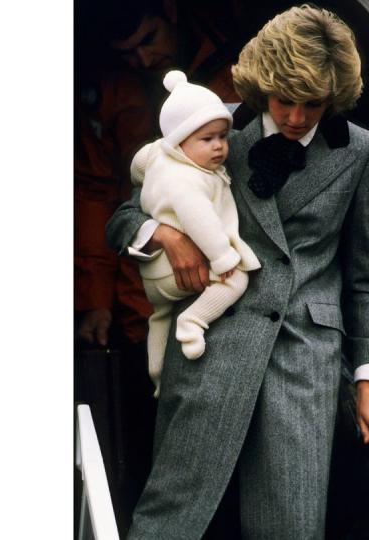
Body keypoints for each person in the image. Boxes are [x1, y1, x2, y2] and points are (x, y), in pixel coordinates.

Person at [106, 6, 369, 538]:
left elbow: (364, 276)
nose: (295, 117)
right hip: (209, 346)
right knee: (174, 520)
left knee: (290, 525)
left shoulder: (365, 152)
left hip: (303, 362)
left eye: (312, 104)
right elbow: (124, 215)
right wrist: (165, 235)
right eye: (282, 101)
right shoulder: (210, 128)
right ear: (259, 87)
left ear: (334, 97)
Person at [130, 70, 261, 397]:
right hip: (176, 269)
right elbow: (198, 218)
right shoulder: (188, 180)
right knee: (237, 280)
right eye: (207, 139)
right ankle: (194, 322)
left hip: (154, 276)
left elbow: (139, 164)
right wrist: (223, 257)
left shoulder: (159, 155)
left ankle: (157, 373)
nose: (218, 147)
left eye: (222, 137)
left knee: (159, 316)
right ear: (179, 140)